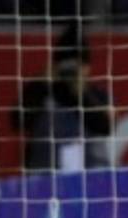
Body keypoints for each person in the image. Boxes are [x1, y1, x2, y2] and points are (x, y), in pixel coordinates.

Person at [11, 23, 113, 173]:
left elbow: (106, 127)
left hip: (90, 177)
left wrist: (80, 93)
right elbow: (17, 121)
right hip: (45, 176)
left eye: (76, 66)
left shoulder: (97, 95)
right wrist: (42, 83)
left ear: (87, 67)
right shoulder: (42, 92)